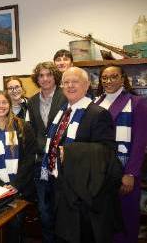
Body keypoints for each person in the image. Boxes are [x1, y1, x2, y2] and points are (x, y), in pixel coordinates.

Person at [44, 67, 122, 242]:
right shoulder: (61, 112)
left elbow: (107, 153)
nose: (70, 86)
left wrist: (71, 152)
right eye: (66, 82)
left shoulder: (98, 114)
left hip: (84, 195)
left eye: (75, 81)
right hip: (61, 188)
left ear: (87, 86)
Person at [94, 65, 147, 243]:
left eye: (113, 77)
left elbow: (140, 142)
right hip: (101, 173)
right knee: (104, 219)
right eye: (104, 78)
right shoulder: (95, 103)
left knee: (126, 218)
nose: (108, 81)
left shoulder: (137, 102)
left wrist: (130, 173)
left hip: (125, 172)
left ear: (123, 78)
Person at [0, 90, 36, 243]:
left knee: (15, 229)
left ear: (9, 105)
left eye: (4, 102)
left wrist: (14, 185)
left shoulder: (22, 126)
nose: (1, 106)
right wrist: (1, 186)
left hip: (19, 189)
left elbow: (29, 158)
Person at [27, 61, 66, 243]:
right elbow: (33, 131)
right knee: (43, 208)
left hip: (62, 161)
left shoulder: (65, 96)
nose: (45, 79)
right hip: (39, 163)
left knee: (63, 207)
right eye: (41, 75)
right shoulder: (32, 101)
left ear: (55, 77)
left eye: (48, 75)